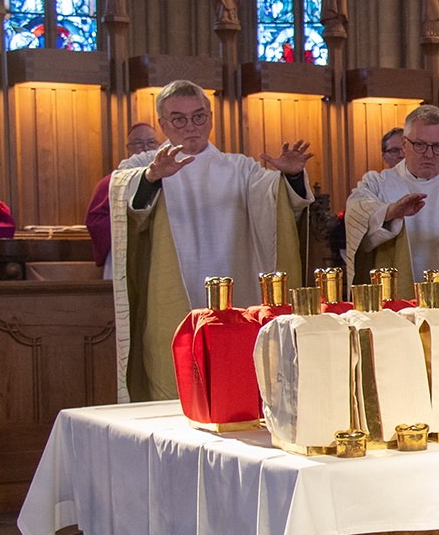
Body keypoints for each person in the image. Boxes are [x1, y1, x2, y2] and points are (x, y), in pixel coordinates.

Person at [107, 81, 310, 403]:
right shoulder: (142, 166)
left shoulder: (239, 167)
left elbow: (275, 201)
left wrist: (291, 176)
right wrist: (151, 178)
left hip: (235, 282)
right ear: (162, 123)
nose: (191, 127)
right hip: (171, 287)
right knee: (172, 370)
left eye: (199, 117)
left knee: (233, 371)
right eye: (179, 119)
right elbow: (129, 204)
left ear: (211, 117)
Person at [344, 104, 439, 295]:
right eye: (420, 145)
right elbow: (356, 209)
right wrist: (390, 212)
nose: (429, 154)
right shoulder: (378, 184)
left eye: (438, 146)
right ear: (404, 144)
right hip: (396, 302)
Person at [87, 123, 161, 272]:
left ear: (160, 146)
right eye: (139, 143)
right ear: (128, 148)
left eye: (151, 143)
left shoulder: (174, 178)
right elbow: (96, 221)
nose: (146, 149)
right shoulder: (112, 182)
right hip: (126, 252)